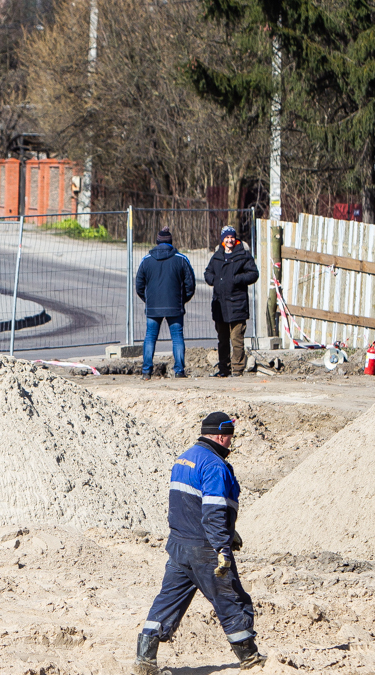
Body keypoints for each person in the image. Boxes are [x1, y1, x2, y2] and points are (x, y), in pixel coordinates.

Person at [134, 412, 268, 674]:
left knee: (168, 600)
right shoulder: (215, 466)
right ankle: (250, 659)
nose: (231, 443)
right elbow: (214, 509)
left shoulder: (185, 458)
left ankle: (144, 659)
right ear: (221, 436)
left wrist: (231, 531)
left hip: (179, 545)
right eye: (230, 437)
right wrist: (222, 546)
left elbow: (188, 505)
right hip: (205, 548)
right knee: (232, 600)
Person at [135, 228, 195, 379]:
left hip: (153, 307)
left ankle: (146, 371)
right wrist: (182, 300)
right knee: (177, 337)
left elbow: (139, 286)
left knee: (150, 337)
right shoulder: (181, 259)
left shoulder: (146, 260)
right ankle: (179, 371)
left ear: (157, 242)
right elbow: (190, 285)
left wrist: (148, 300)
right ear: (170, 242)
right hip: (175, 305)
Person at [204, 226, 259, 377]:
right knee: (222, 340)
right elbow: (208, 272)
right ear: (222, 240)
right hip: (220, 305)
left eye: (232, 237)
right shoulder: (217, 256)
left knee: (237, 340)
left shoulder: (243, 255)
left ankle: (237, 369)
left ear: (235, 239)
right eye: (227, 238)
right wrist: (213, 280)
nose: (229, 240)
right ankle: (223, 369)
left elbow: (253, 274)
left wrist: (237, 279)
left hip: (237, 304)